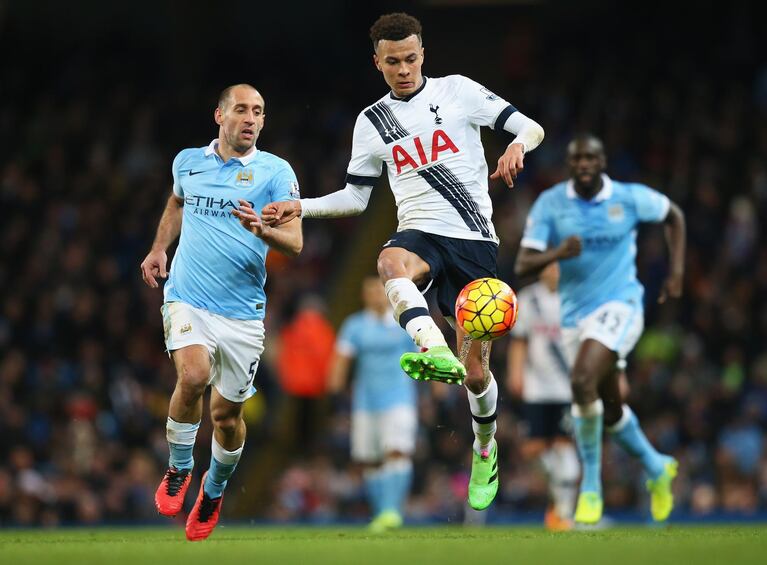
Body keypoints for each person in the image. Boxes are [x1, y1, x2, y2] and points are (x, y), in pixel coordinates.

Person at [262, 12, 545, 511]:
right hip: (419, 233)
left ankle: (485, 446)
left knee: (477, 374)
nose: (404, 68)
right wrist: (301, 206)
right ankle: (432, 348)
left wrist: (518, 145)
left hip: (474, 240)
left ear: (422, 54)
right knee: (390, 262)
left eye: (411, 58)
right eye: (393, 61)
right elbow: (355, 198)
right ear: (377, 62)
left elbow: (531, 126)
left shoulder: (458, 91)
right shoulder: (371, 123)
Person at [139, 84, 302, 541]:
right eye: (242, 110)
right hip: (187, 296)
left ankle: (213, 490)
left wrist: (262, 229)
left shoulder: (275, 172)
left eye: (259, 112)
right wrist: (158, 248)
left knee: (227, 417)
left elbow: (295, 243)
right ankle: (179, 469)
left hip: (242, 315)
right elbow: (176, 201)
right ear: (220, 115)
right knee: (192, 375)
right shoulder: (187, 161)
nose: (251, 119)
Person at [514, 134, 686, 525]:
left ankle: (591, 488)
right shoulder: (551, 204)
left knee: (581, 380)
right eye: (577, 158)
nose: (584, 164)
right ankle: (657, 466)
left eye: (591, 157)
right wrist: (558, 253)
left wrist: (676, 272)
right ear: (569, 164)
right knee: (609, 408)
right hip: (574, 318)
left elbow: (674, 215)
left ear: (603, 160)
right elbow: (523, 263)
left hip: (621, 304)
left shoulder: (628, 198)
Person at [328, 276, 418, 532]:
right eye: (370, 292)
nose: (376, 296)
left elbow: (424, 352)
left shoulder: (404, 321)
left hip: (399, 398)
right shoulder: (355, 326)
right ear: (364, 296)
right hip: (365, 402)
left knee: (397, 451)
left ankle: (392, 510)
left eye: (380, 291)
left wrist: (435, 389)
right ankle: (382, 513)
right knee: (369, 460)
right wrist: (335, 395)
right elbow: (341, 359)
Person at [507, 263, 579, 531]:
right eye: (550, 265)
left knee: (563, 444)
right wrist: (516, 372)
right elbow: (520, 340)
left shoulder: (575, 297)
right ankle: (559, 498)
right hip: (537, 386)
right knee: (533, 449)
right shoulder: (528, 299)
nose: (555, 271)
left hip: (567, 387)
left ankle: (564, 511)